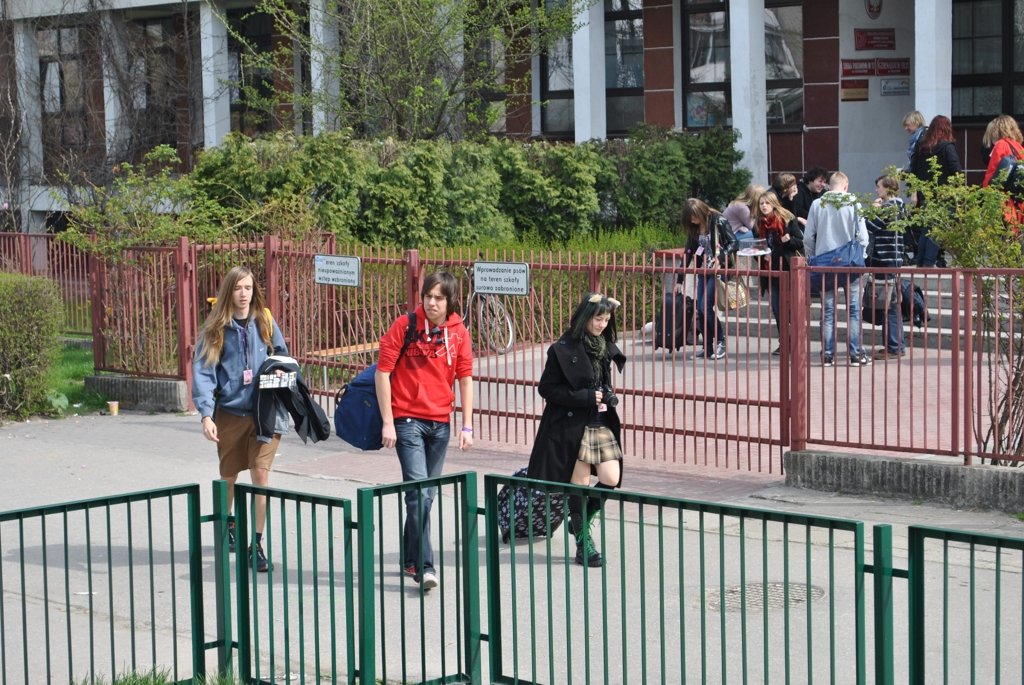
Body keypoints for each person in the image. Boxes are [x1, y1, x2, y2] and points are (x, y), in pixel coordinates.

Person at [375, 271, 474, 591]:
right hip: (407, 422)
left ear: (450, 301)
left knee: (425, 497)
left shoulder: (458, 333)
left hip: (440, 425)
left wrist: (467, 424)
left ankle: (409, 556)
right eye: (428, 296)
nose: (431, 303)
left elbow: (466, 378)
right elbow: (383, 373)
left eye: (439, 298)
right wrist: (388, 421)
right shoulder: (404, 326)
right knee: (419, 493)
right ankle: (426, 567)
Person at [192, 266, 288, 573]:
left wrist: (280, 375)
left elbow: (283, 355)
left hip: (264, 414)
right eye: (238, 288)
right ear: (228, 292)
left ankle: (256, 544)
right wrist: (207, 415)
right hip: (230, 415)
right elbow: (204, 374)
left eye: (248, 287)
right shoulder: (215, 329)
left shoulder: (265, 322)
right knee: (229, 479)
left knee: (261, 476)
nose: (244, 294)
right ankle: (229, 522)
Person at [526, 293, 626, 567]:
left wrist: (604, 396)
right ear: (586, 316)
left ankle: (580, 517)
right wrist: (583, 397)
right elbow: (546, 388)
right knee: (579, 485)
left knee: (611, 477)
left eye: (607, 319)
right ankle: (584, 544)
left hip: (599, 422)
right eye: (598, 318)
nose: (603, 324)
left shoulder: (604, 346)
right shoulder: (563, 348)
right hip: (571, 425)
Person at [804, 171, 871, 367]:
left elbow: (808, 236)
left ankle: (827, 354)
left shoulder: (818, 204)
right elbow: (863, 237)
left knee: (828, 311)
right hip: (850, 263)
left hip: (825, 263)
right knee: (854, 311)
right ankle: (856, 354)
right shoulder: (854, 204)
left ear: (828, 186)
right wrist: (862, 254)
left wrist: (812, 256)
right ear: (846, 185)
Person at [677, 198, 737, 360]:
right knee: (701, 309)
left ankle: (721, 341)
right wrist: (679, 279)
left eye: (694, 216)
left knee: (704, 307)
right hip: (703, 270)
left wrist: (721, 257)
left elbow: (733, 242)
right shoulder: (694, 229)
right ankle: (708, 347)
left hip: (718, 270)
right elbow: (688, 252)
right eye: (690, 218)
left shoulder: (718, 221)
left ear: (701, 212)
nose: (692, 220)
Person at [752, 190, 803, 356]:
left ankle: (795, 341)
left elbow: (801, 243)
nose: (764, 206)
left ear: (773, 203)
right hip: (770, 272)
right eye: (761, 204)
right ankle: (785, 342)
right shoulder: (758, 225)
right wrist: (760, 255)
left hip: (788, 269)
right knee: (777, 308)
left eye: (767, 203)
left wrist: (788, 240)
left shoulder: (787, 219)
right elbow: (757, 248)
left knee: (789, 308)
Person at [909, 114, 962, 267]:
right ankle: (928, 262)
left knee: (927, 228)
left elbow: (914, 171)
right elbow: (956, 170)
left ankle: (921, 260)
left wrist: (916, 192)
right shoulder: (947, 147)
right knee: (937, 229)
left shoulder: (922, 147)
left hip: (926, 194)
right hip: (944, 194)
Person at [866, 175, 907, 359]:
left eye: (879, 187)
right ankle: (895, 345)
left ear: (888, 189)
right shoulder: (900, 206)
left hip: (886, 259)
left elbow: (870, 225)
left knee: (888, 304)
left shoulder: (889, 208)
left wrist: (873, 210)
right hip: (894, 259)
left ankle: (893, 346)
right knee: (892, 303)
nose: (877, 190)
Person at [980, 114, 1024, 229]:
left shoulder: (1001, 145)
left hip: (1003, 204)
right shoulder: (1019, 147)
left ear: (997, 130)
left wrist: (985, 197)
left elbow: (992, 176)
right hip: (1018, 204)